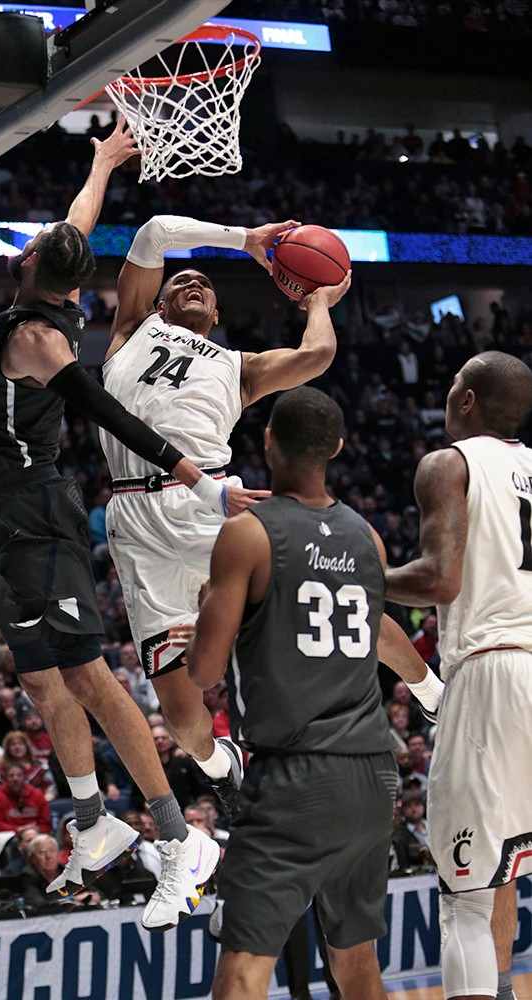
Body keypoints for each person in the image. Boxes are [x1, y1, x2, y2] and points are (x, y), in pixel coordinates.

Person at [0, 119, 233, 930]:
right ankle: (92, 820)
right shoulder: (59, 283)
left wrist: (192, 475)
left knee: (86, 675)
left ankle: (177, 834)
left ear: (32, 268)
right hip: (2, 518)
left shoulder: (38, 338)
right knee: (41, 677)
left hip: (37, 509)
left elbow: (102, 409)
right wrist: (103, 160)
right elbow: (78, 223)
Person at [184, 387, 444, 1000]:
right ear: (338, 448)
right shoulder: (368, 538)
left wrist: (206, 608)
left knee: (244, 969)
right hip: (372, 775)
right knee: (356, 965)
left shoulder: (247, 533)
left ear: (267, 439)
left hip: (294, 779)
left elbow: (202, 672)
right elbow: (379, 633)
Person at [98, 211, 350, 821]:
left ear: (216, 317)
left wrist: (320, 301)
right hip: (137, 520)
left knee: (319, 597)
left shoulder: (238, 366)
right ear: (156, 307)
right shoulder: (131, 331)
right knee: (184, 722)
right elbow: (154, 231)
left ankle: (423, 687)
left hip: (214, 504)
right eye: (178, 282)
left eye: (205, 287)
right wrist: (246, 240)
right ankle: (219, 766)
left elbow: (316, 356)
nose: (193, 282)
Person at [385, 350, 532, 1000]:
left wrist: (351, 577)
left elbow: (439, 580)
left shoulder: (449, 463)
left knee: (465, 898)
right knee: (505, 866)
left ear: (466, 400)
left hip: (492, 671)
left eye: (449, 388)